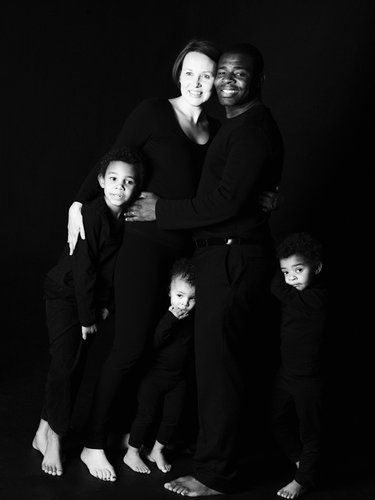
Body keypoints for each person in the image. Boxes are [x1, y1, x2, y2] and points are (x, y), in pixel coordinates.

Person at [67, 39, 278, 482]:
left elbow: (226, 190)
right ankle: (91, 443)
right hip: (145, 245)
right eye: (192, 73)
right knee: (128, 347)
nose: (201, 82)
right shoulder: (152, 112)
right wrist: (78, 201)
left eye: (209, 74)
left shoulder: (220, 131)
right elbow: (115, 156)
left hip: (188, 254)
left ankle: (133, 437)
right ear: (179, 74)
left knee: (165, 351)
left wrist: (263, 196)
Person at [126, 42, 284, 496]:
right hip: (222, 256)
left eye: (240, 73)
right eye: (222, 73)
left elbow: (225, 202)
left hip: (234, 259)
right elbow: (235, 192)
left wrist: (161, 211)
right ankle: (216, 454)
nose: (227, 81)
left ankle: (216, 475)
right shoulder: (235, 128)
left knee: (221, 371)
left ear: (259, 81)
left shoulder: (253, 128)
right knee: (218, 368)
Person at [31, 148, 143, 477]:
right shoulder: (91, 215)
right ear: (100, 181)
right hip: (66, 294)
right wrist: (87, 318)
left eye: (127, 182)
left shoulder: (124, 220)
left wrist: (105, 305)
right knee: (65, 366)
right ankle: (55, 438)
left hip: (91, 300)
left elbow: (111, 270)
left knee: (73, 367)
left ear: (136, 188)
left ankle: (43, 429)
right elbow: (84, 271)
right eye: (112, 179)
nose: (119, 187)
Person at [123, 258, 195, 474]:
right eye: (179, 296)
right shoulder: (165, 317)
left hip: (178, 379)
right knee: (145, 415)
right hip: (154, 377)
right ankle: (132, 452)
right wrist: (171, 319)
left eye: (192, 299)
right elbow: (155, 342)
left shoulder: (194, 319)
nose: (184, 303)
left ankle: (157, 450)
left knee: (172, 418)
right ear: (170, 293)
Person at [270, 232, 328, 499]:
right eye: (285, 271)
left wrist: (278, 279)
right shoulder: (292, 294)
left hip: (309, 379)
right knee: (276, 420)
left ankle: (303, 479)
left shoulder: (319, 298)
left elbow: (276, 287)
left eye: (298, 269)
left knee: (310, 431)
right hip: (286, 373)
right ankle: (302, 462)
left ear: (316, 268)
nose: (291, 277)